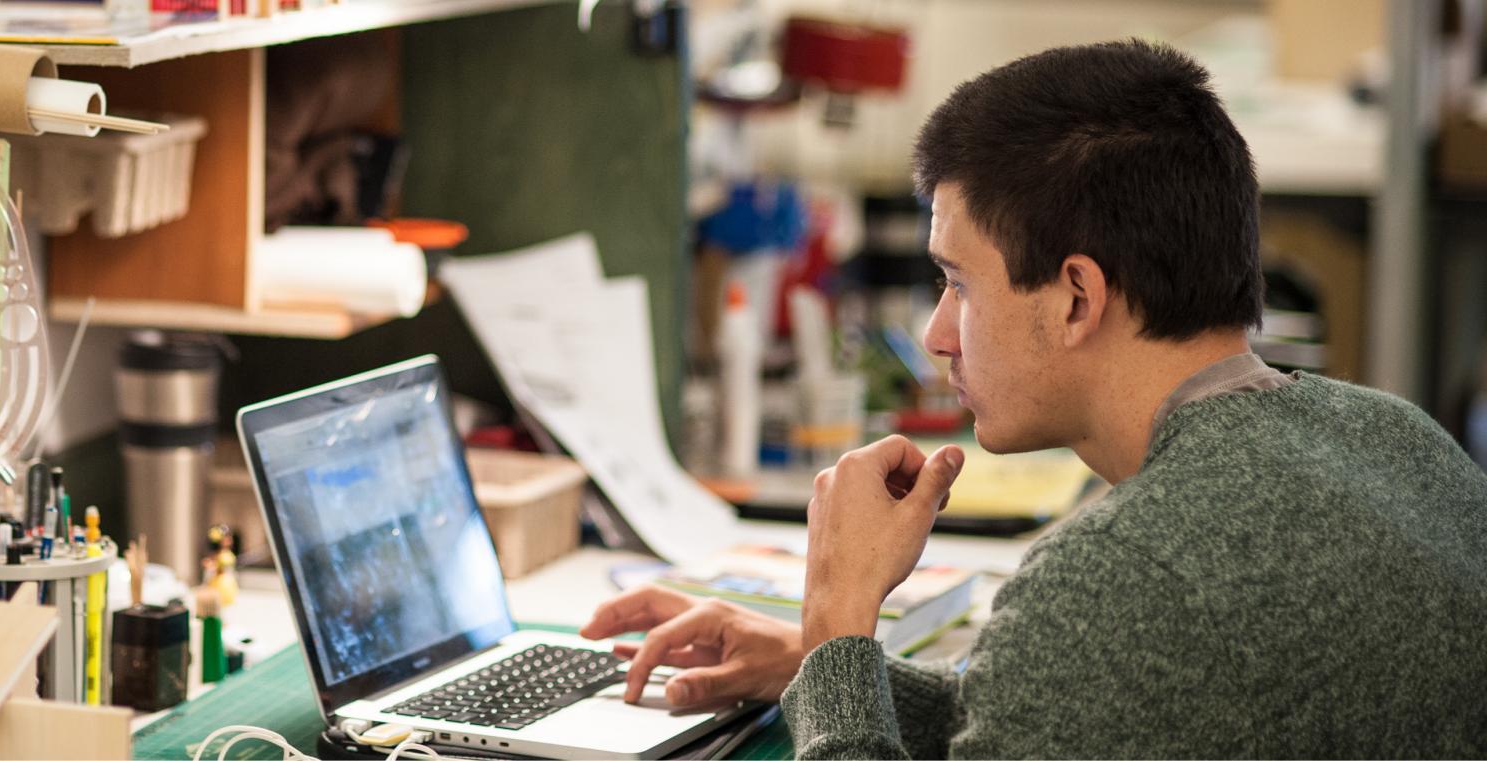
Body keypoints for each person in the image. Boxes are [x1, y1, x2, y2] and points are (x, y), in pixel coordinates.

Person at [582, 40, 1487, 757]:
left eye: (957, 284)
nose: (938, 334)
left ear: (1077, 298)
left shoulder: (1110, 583)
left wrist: (835, 626)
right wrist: (819, 672)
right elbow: (1086, 718)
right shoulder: (1404, 440)